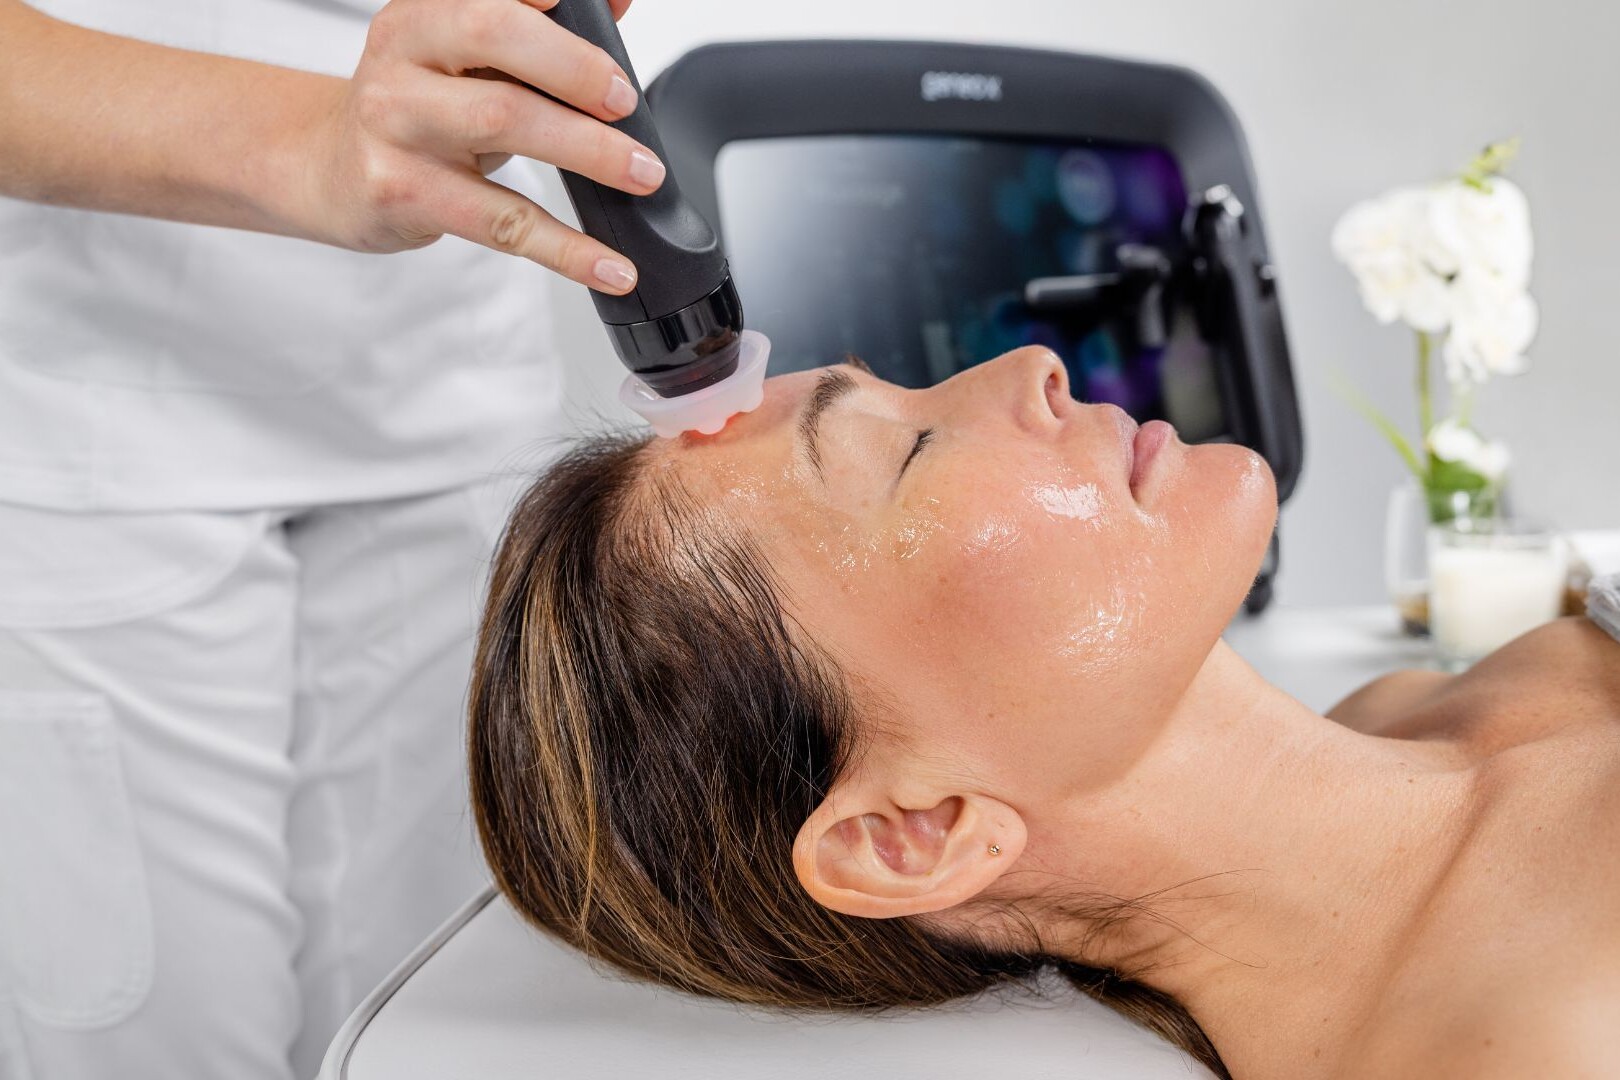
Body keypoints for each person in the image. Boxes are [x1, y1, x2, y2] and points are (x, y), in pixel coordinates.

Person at [469, 347, 1620, 1080]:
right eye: (909, 449)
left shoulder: (1432, 705)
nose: (1031, 365)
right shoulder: (1528, 1043)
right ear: (913, 832)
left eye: (906, 389)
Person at [0, 0, 661, 1076]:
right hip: (104, 424)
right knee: (153, 1038)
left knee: (430, 1024)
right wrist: (317, 145)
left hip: (445, 397)